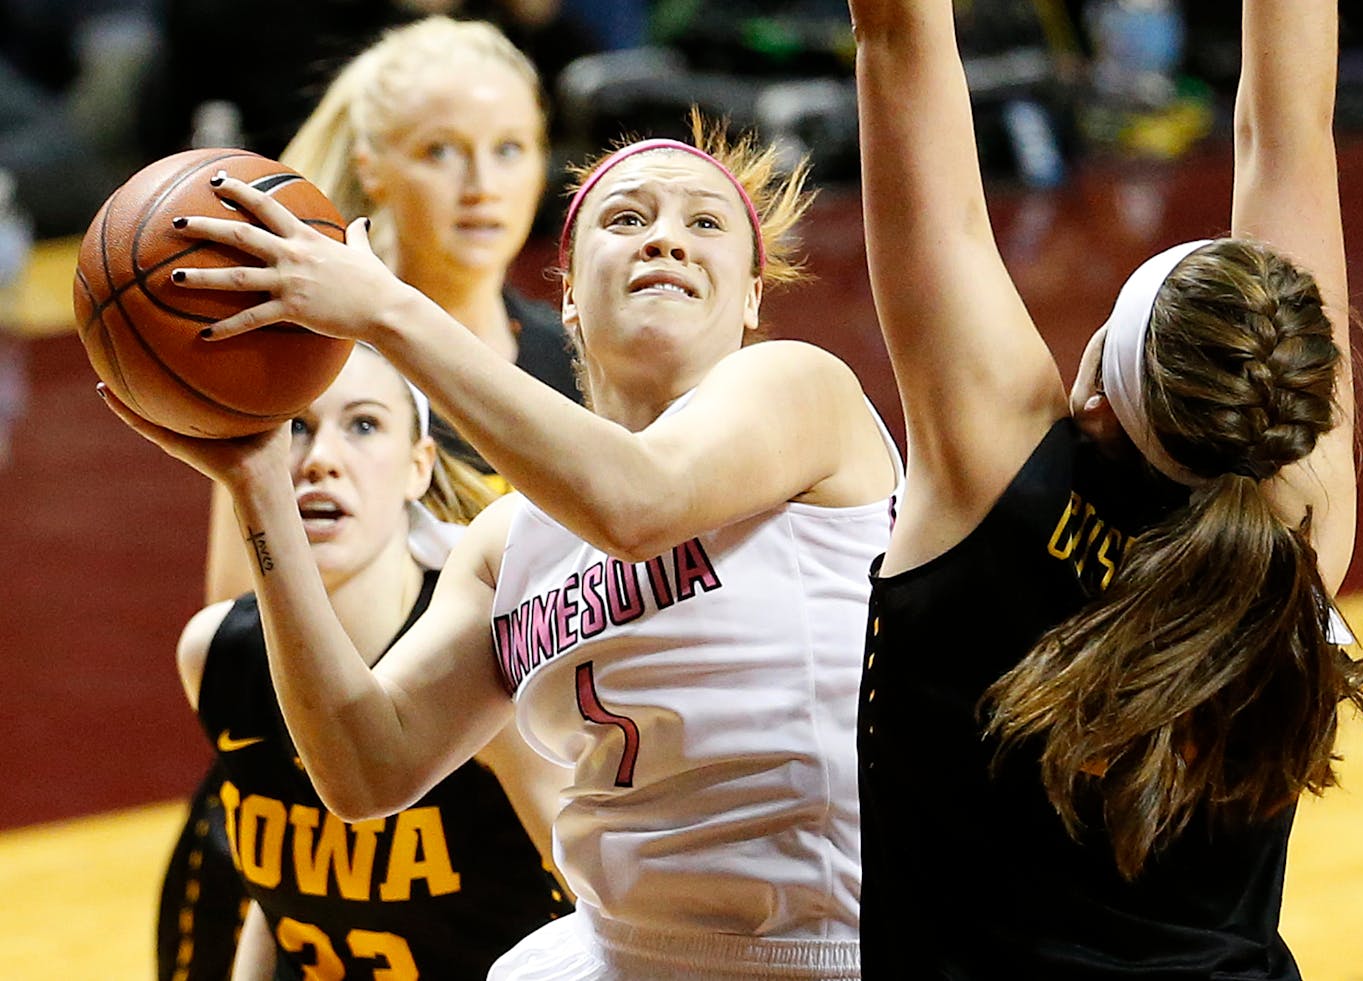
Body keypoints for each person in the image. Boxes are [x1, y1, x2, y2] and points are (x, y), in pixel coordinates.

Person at [108, 116, 901, 980]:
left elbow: (639, 502)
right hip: (621, 948)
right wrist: (258, 483)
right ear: (567, 294)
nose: (666, 237)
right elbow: (367, 769)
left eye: (705, 223)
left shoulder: (799, 387)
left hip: (825, 947)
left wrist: (386, 307)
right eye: (627, 219)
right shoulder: (507, 542)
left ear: (749, 296)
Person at [848, 0, 1363, 977]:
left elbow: (896, 31)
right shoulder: (1296, 525)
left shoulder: (1000, 470)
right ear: (1292, 411)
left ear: (1100, 393)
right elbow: (1288, 132)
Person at [158, 21, 583, 978]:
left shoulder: (578, 368)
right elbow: (246, 641)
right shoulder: (296, 358)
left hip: (511, 807)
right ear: (375, 168)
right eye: (442, 153)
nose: (482, 184)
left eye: (510, 149)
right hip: (304, 825)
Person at [170, 344, 574, 979]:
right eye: (295, 426)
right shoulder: (215, 653)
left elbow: (598, 902)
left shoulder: (484, 659)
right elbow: (274, 905)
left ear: (419, 468)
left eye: (363, 425)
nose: (321, 460)